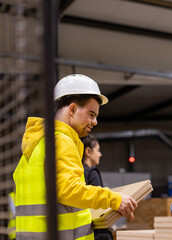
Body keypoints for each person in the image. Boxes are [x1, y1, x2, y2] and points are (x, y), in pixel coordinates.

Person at [13, 74, 137, 240]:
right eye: (91, 114)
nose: (95, 122)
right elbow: (69, 190)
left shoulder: (36, 144)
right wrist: (113, 199)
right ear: (72, 109)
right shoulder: (61, 141)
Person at [82, 134, 113, 240]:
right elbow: (101, 203)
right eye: (98, 150)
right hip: (98, 233)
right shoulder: (92, 173)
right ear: (88, 152)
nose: (100, 154)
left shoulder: (79, 172)